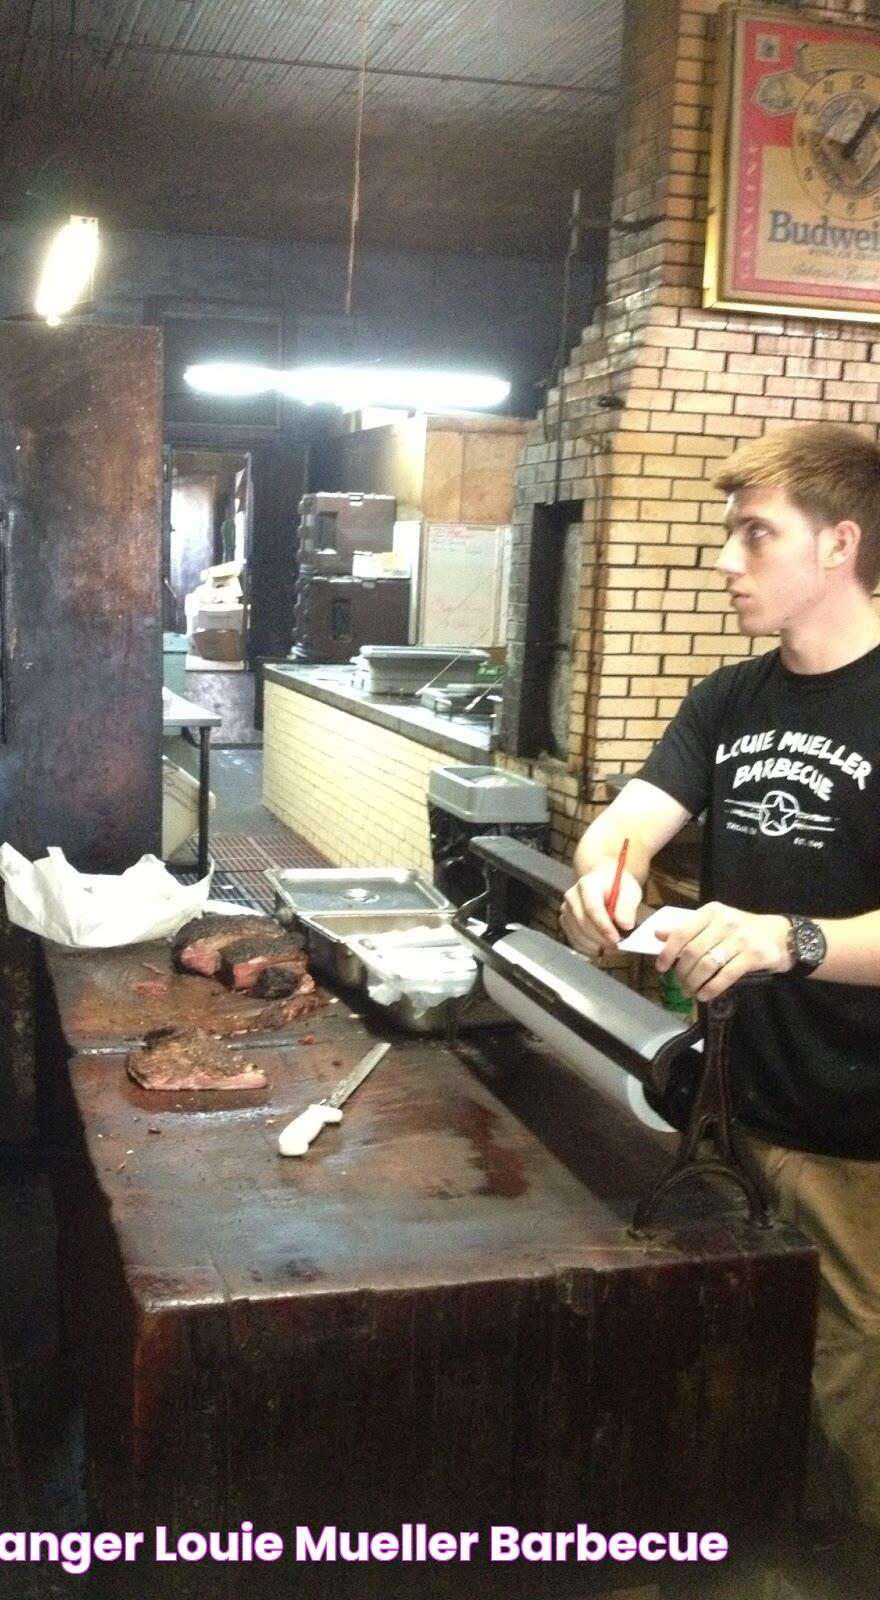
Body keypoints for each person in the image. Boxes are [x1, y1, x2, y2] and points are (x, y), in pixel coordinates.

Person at [561, 422, 880, 1533]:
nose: (724, 561)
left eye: (755, 535)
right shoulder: (730, 700)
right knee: (737, 1372)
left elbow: (798, 934)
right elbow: (626, 826)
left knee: (851, 1408)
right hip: (734, 1101)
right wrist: (604, 879)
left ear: (839, 543)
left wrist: (791, 937)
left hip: (860, 1139)